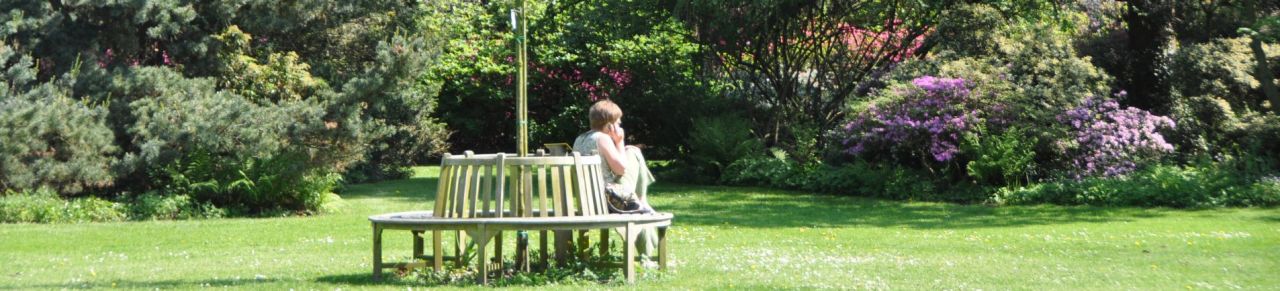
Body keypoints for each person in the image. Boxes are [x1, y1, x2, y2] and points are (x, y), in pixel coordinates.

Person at [572, 99, 659, 259]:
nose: (620, 126)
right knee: (633, 152)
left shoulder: (580, 139)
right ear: (609, 125)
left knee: (632, 154)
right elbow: (620, 169)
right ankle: (643, 202)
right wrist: (619, 142)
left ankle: (642, 202)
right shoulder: (602, 138)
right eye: (618, 122)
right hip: (609, 199)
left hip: (589, 199)